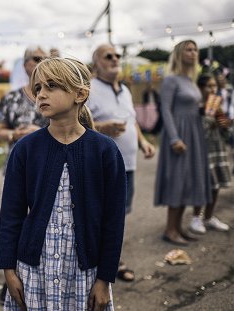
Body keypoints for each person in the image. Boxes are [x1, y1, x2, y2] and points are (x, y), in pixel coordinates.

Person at [0, 57, 126, 311]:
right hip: (34, 270)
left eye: (51, 86)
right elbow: (11, 214)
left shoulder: (105, 151)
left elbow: (114, 221)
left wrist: (104, 279)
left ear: (80, 94)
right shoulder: (25, 149)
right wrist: (8, 269)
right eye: (38, 89)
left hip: (84, 274)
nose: (41, 95)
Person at [86, 44, 156, 282]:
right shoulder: (89, 89)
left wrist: (143, 141)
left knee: (119, 215)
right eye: (108, 56)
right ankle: (102, 263)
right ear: (96, 64)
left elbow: (132, 120)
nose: (115, 59)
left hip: (128, 163)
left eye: (117, 55)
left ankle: (111, 258)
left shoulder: (125, 90)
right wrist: (102, 127)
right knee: (100, 214)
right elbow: (77, 123)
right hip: (100, 165)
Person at [0, 45, 48, 302]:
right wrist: (15, 134)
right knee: (16, 222)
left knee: (44, 223)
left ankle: (40, 277)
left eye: (46, 59)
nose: (41, 63)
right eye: (37, 59)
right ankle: (12, 278)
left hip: (48, 169)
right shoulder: (13, 97)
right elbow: (0, 129)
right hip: (18, 167)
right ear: (26, 65)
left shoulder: (54, 94)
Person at [154, 39, 211, 246]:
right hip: (179, 134)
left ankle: (178, 228)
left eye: (195, 49)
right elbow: (166, 110)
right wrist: (174, 138)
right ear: (179, 54)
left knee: (188, 181)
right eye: (189, 49)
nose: (194, 52)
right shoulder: (171, 80)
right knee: (177, 180)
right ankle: (170, 230)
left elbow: (194, 107)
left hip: (194, 133)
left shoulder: (191, 80)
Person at [188, 74, 232, 234]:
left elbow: (227, 133)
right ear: (199, 88)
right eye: (209, 86)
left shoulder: (217, 104)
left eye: (214, 86)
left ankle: (208, 217)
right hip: (202, 151)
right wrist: (209, 118)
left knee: (216, 185)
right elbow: (197, 132)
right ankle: (195, 218)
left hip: (217, 148)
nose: (213, 89)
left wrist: (225, 124)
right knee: (203, 185)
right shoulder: (193, 107)